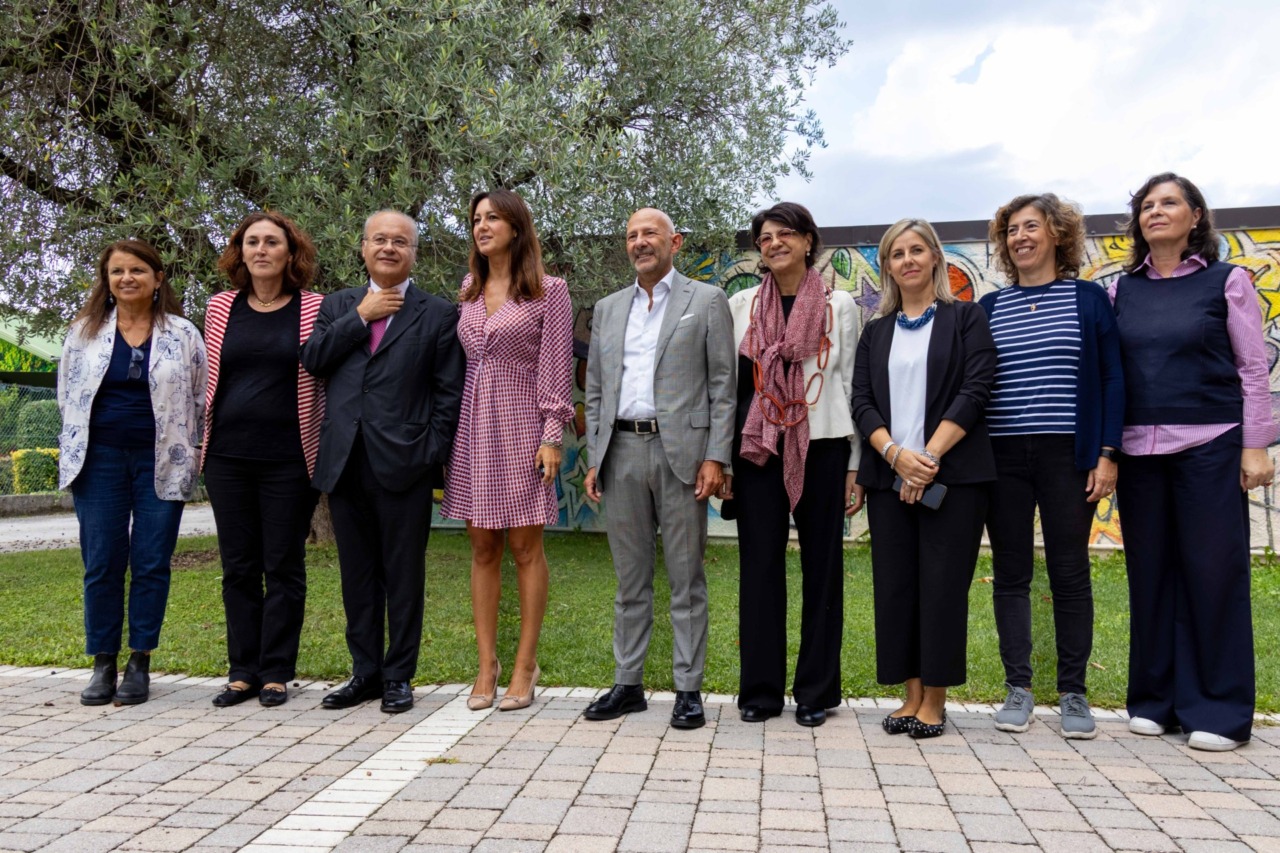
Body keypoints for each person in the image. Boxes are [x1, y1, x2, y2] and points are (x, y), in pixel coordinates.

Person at [1111, 172, 1276, 752]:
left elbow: (1253, 369)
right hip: (1138, 451)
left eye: (1169, 203)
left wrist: (1256, 445)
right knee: (1150, 575)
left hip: (1211, 444)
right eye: (1147, 205)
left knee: (1212, 575)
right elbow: (1112, 375)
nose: (1156, 212)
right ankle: (1156, 702)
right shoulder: (1119, 291)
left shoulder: (1228, 282)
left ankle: (1220, 711)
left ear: (1196, 216)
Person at [300, 210, 465, 714]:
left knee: (403, 574)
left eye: (401, 241)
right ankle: (365, 673)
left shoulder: (437, 313)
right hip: (345, 461)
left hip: (404, 466)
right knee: (357, 574)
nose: (389, 248)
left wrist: (428, 452)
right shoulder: (339, 305)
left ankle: (398, 676)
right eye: (379, 240)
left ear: (414, 252)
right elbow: (314, 360)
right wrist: (361, 317)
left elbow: (448, 394)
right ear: (363, 247)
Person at [581, 207, 735, 729]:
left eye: (650, 233)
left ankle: (688, 689)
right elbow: (598, 389)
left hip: (683, 459)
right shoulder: (607, 309)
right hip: (620, 452)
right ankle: (628, 685)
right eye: (632, 235)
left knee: (687, 577)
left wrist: (716, 455)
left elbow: (722, 388)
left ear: (676, 241)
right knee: (630, 580)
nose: (640, 242)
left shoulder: (707, 301)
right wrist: (594, 457)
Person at [978, 194, 1124, 739]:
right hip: (1003, 456)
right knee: (1011, 575)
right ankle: (1018, 687)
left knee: (1069, 572)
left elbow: (1112, 379)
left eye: (1030, 227)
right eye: (1011, 230)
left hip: (1070, 455)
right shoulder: (990, 309)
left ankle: (1074, 694)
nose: (1020, 237)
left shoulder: (1089, 300)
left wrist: (1107, 454)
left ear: (1058, 235)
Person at [851, 218, 996, 739]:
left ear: (935, 257)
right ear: (888, 266)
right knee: (896, 587)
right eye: (897, 254)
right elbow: (861, 401)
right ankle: (909, 695)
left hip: (953, 478)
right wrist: (894, 456)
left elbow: (977, 389)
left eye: (917, 250)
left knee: (941, 587)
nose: (907, 260)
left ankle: (935, 699)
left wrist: (926, 459)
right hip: (890, 478)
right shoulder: (877, 331)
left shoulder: (966, 318)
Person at [723, 202, 861, 728]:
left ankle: (816, 691)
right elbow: (731, 390)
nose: (773, 243)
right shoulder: (741, 306)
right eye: (765, 237)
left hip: (822, 445)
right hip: (759, 450)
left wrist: (854, 463)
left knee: (822, 569)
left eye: (785, 234)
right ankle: (760, 691)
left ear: (808, 241)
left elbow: (848, 382)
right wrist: (727, 461)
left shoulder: (838, 306)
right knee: (760, 568)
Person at [57, 239, 208, 706]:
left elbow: (200, 398)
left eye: (138, 270)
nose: (127, 278)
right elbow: (68, 395)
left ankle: (139, 661)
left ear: (158, 278)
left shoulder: (183, 333)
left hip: (162, 460)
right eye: (117, 271)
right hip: (98, 460)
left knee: (150, 562)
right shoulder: (83, 331)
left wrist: (192, 450)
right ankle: (103, 662)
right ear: (106, 279)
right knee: (101, 560)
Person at [442, 190, 573, 712]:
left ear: (516, 228)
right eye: (476, 219)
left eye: (493, 217)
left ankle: (525, 664)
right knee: (481, 546)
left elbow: (556, 366)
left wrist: (552, 435)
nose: (482, 225)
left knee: (524, 547)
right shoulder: (469, 289)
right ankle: (485, 665)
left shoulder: (549, 290)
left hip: (524, 425)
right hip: (474, 426)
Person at [202, 212, 325, 708]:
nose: (261, 250)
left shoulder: (314, 308)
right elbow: (208, 379)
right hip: (227, 457)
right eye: (251, 242)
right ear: (240, 252)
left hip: (290, 458)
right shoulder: (218, 308)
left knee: (283, 565)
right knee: (238, 567)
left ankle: (276, 671)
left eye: (272, 242)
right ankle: (242, 671)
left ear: (290, 253)